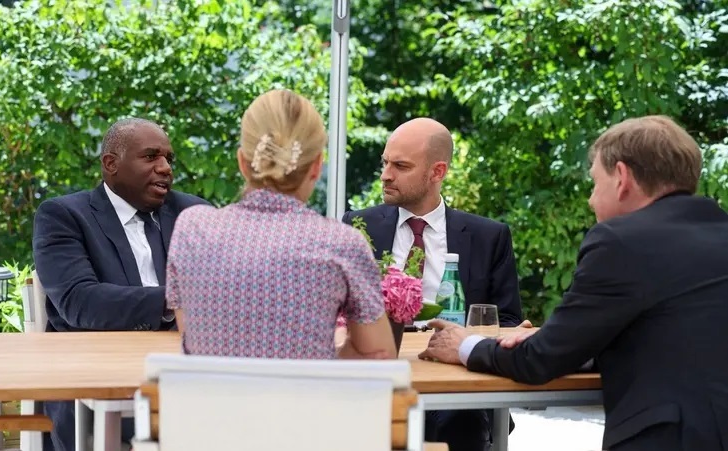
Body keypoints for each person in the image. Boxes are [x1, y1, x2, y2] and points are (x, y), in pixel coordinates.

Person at [420, 115, 728, 451]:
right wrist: (566, 338)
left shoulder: (619, 242)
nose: (591, 200)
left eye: (595, 183)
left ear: (622, 178)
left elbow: (540, 360)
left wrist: (466, 345)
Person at [166, 88, 396, 360]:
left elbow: (194, 338)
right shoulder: (342, 243)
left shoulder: (192, 229)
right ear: (316, 166)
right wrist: (323, 359)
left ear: (242, 162)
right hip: (306, 389)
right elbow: (379, 353)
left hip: (209, 389)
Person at [342, 117, 524, 451]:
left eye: (400, 166)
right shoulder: (357, 227)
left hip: (457, 383)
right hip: (379, 378)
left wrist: (470, 341)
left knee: (461, 421)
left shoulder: (488, 236)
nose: (385, 175)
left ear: (437, 172)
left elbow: (508, 320)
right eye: (385, 163)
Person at [33, 117, 210, 450]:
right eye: (151, 156)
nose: (165, 168)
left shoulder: (194, 214)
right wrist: (175, 300)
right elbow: (79, 301)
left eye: (168, 159)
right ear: (111, 164)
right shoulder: (64, 216)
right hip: (94, 386)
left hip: (183, 375)